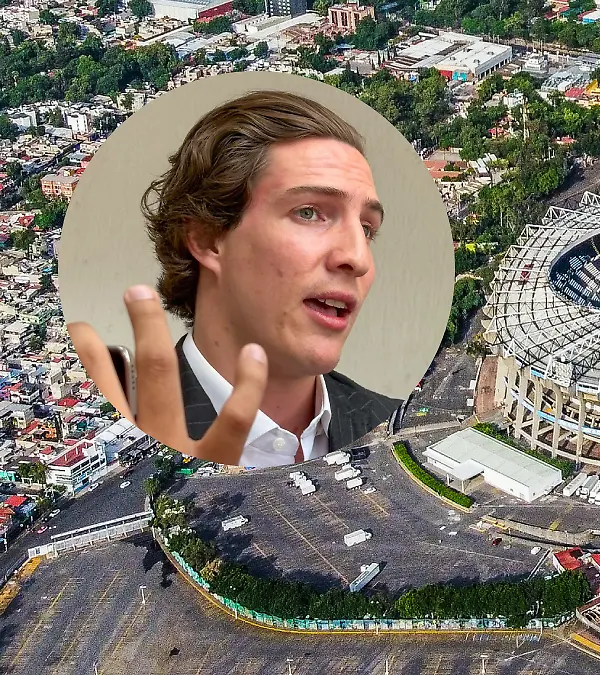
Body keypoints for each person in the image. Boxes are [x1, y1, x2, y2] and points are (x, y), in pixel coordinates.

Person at [67, 90, 399, 468]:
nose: (357, 257)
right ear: (208, 239)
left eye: (367, 228)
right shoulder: (134, 440)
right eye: (308, 212)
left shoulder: (387, 418)